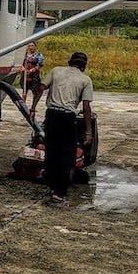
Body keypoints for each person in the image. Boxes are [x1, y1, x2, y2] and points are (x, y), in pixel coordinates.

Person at [29, 51, 93, 203]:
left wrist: (32, 108)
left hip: (51, 115)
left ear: (70, 62)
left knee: (51, 151)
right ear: (84, 66)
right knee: (66, 154)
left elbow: (40, 89)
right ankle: (59, 192)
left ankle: (51, 186)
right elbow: (86, 108)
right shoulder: (85, 80)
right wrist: (88, 132)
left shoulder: (56, 71)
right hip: (67, 118)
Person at [21, 41, 45, 108]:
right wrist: (23, 69)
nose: (30, 47)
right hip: (25, 75)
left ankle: (33, 106)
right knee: (24, 91)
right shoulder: (25, 55)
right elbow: (20, 64)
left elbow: (40, 65)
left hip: (34, 76)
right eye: (29, 46)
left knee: (35, 91)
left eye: (32, 45)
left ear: (35, 46)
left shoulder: (39, 55)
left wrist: (32, 70)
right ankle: (23, 106)